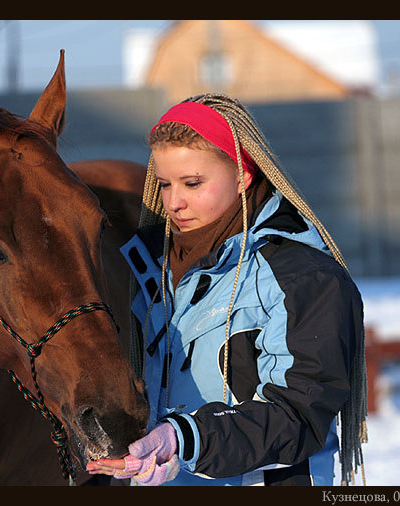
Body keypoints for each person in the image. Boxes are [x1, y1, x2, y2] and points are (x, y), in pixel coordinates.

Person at [86, 94, 368, 486]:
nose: (174, 202)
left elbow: (298, 416)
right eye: (165, 184)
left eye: (193, 183)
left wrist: (183, 439)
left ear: (243, 175)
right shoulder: (151, 274)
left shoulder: (304, 276)